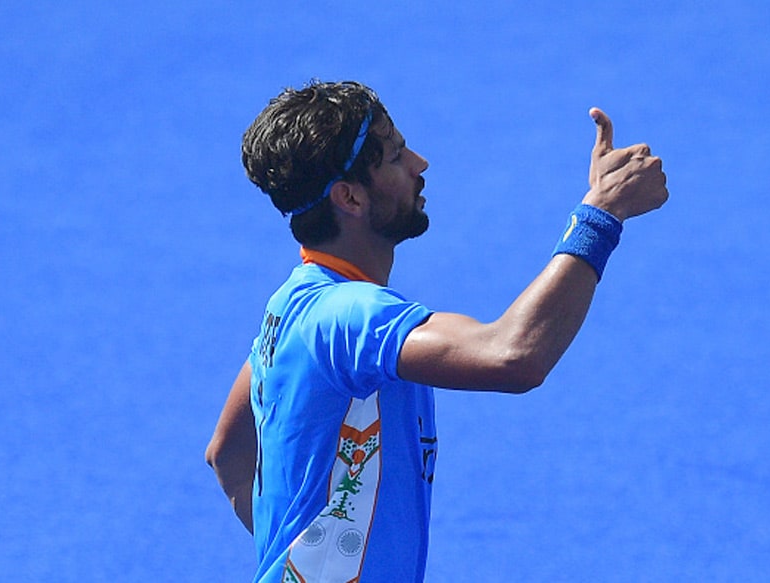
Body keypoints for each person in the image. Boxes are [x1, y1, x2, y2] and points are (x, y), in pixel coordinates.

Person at [205, 80, 668, 583]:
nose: (419, 164)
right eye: (395, 155)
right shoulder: (349, 316)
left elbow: (227, 453)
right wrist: (602, 214)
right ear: (350, 197)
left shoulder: (290, 307)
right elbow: (514, 354)